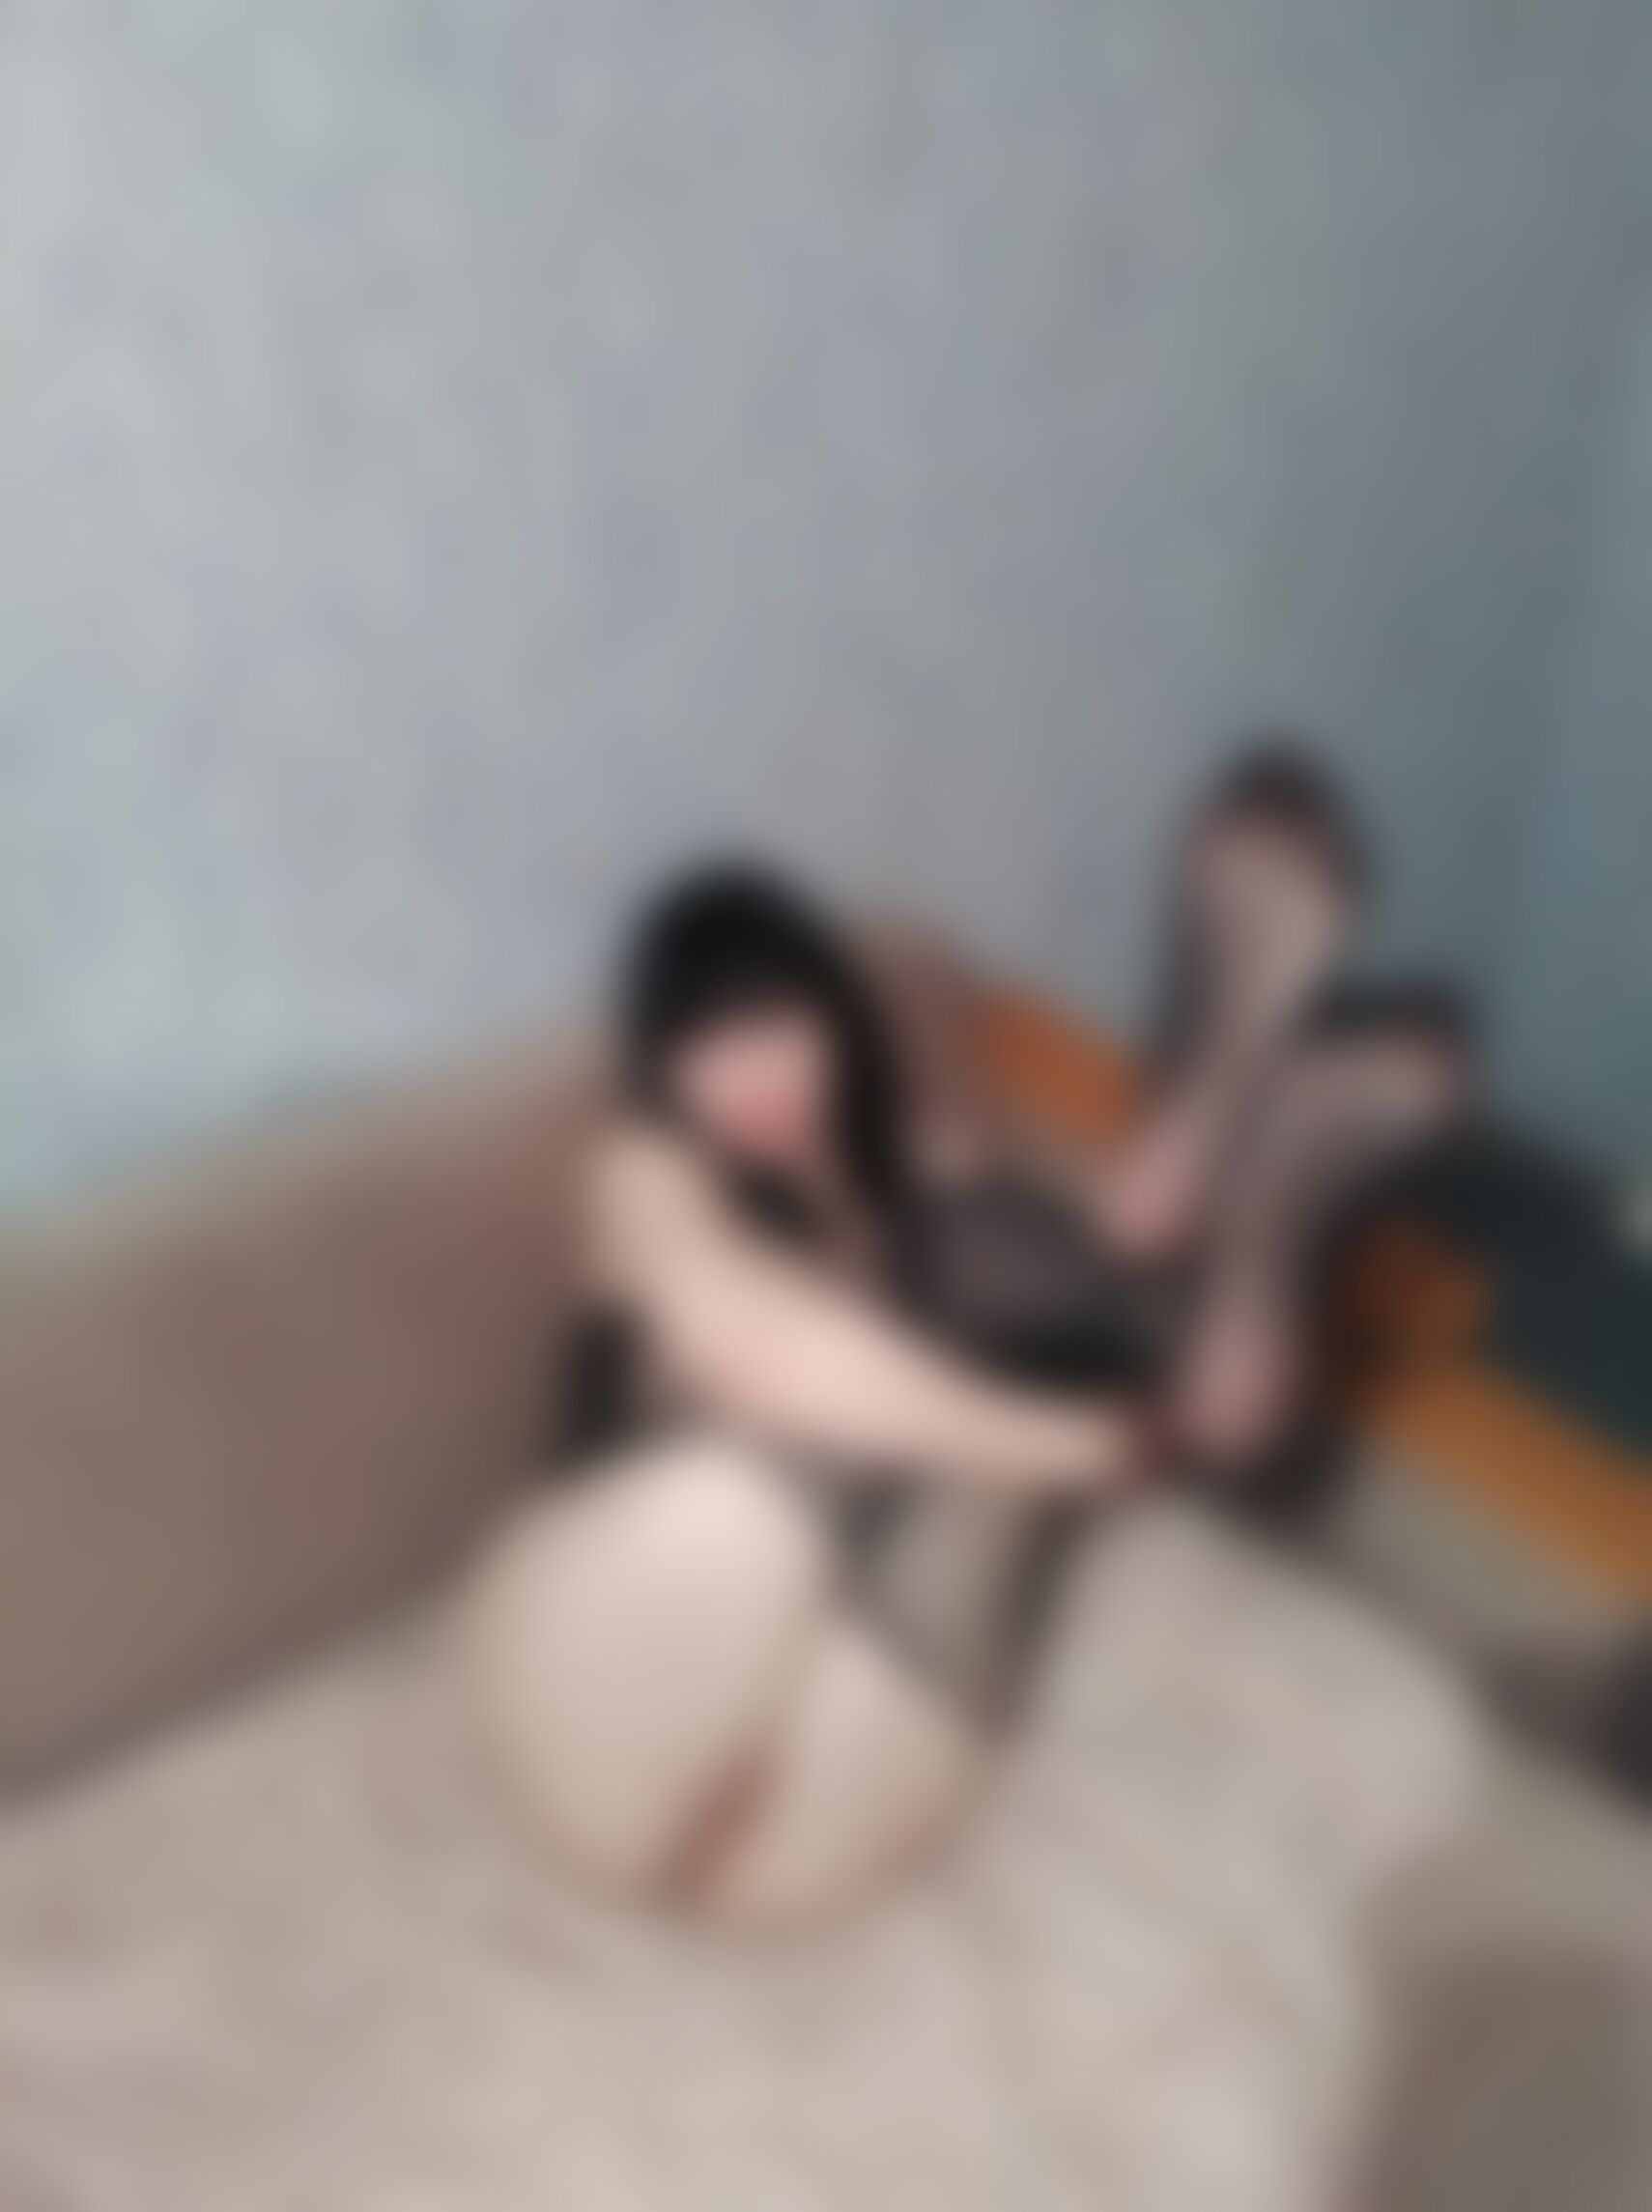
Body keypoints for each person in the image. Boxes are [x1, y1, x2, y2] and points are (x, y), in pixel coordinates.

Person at [459, 752, 1472, 1926]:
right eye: (705, 1041)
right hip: (596, 1706)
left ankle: (1260, 1175)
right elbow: (764, 1363)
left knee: (1058, 1326)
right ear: (660, 1069)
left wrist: (1073, 1387)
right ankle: (1227, 1110)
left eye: (772, 1019)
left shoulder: (919, 1155)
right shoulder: (646, 1171)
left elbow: (1088, 1335)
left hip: (803, 1848)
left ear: (833, 1014)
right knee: (839, 1429)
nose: (747, 1077)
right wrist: (1074, 1444)